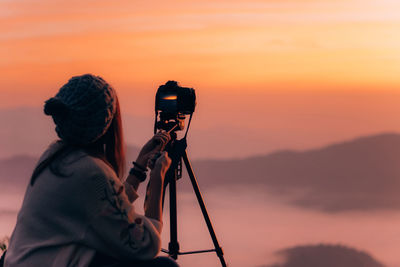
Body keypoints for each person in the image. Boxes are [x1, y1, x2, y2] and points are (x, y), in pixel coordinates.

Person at [3, 74, 179, 267]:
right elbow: (146, 245)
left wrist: (138, 168)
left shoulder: (54, 157)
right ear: (106, 124)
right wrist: (158, 177)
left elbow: (105, 209)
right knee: (165, 266)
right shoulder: (90, 172)